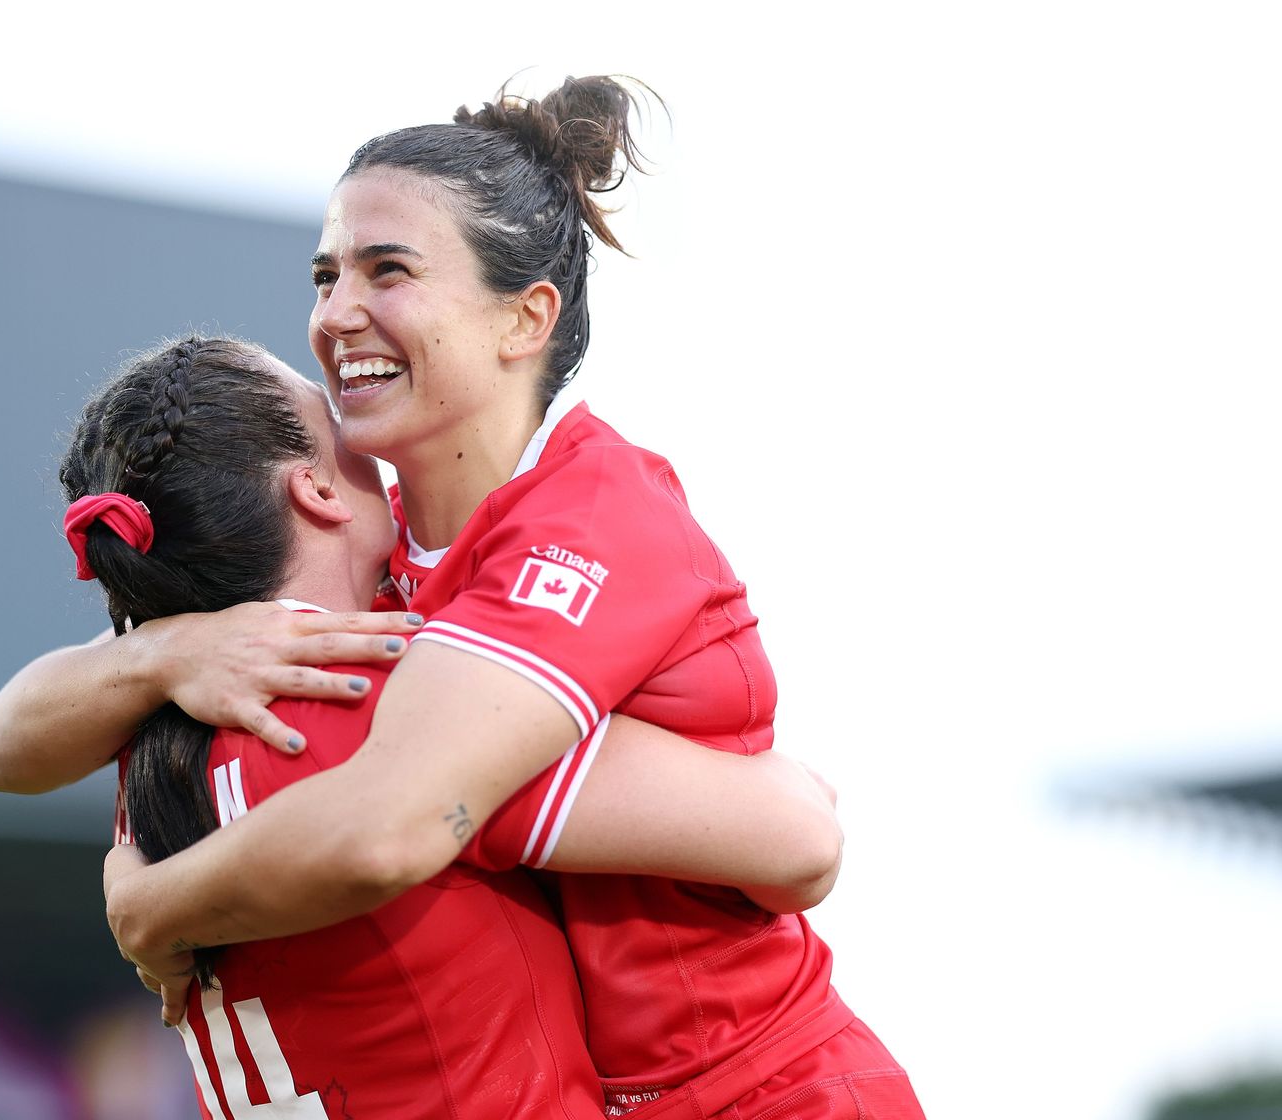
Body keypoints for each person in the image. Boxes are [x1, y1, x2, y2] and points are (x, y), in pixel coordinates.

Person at [0, 76, 922, 1119]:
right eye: (325, 275)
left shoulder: (585, 513)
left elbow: (790, 832)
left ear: (526, 317)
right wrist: (164, 653)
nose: (336, 314)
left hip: (770, 1095)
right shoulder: (350, 597)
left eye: (389, 270)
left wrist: (153, 903)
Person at [61, 336, 844, 1119]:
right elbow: (797, 837)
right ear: (316, 491)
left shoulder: (139, 735)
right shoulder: (378, 702)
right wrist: (792, 780)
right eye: (337, 422)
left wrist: (146, 899)